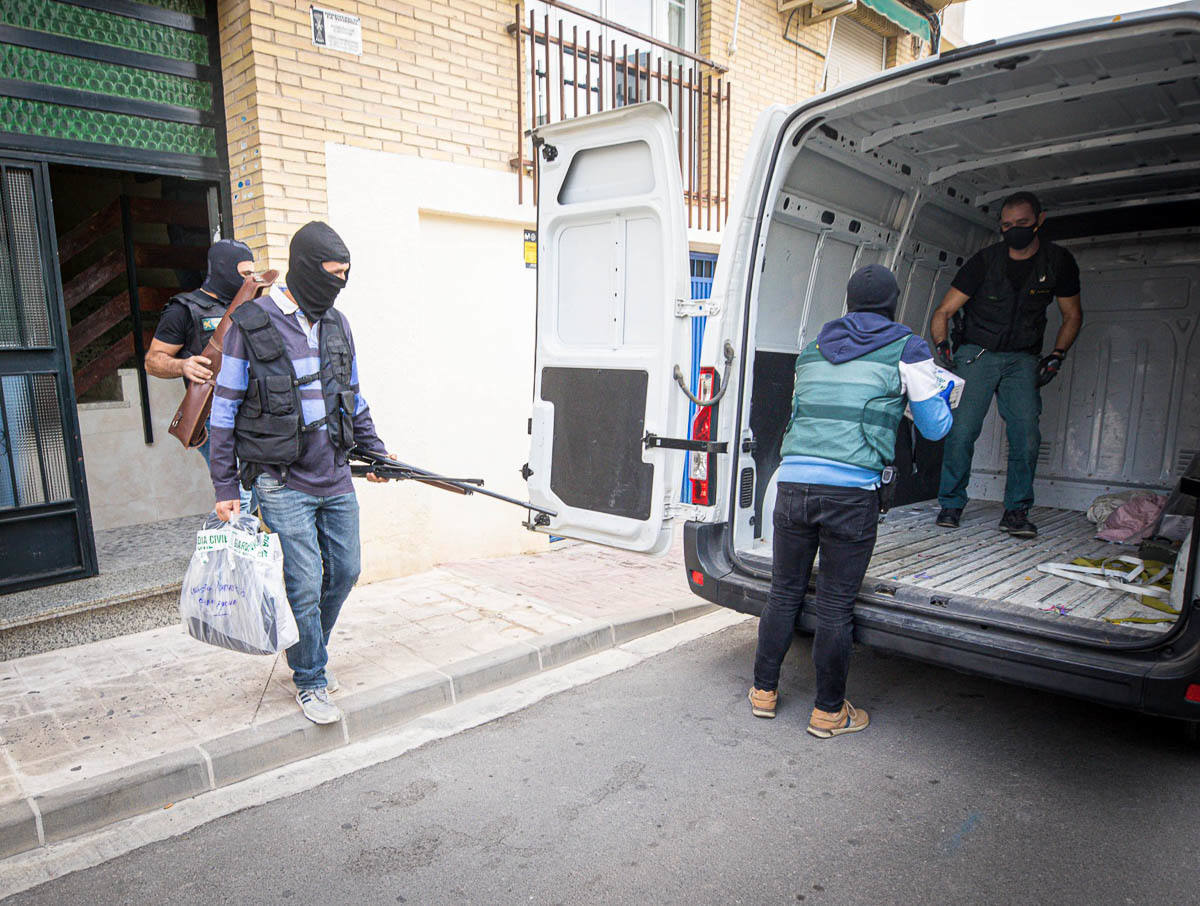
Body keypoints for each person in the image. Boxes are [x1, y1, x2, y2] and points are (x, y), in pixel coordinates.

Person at [749, 264, 954, 738]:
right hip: (851, 494)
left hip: (793, 483)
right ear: (893, 304)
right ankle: (828, 712)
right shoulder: (908, 348)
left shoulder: (812, 349)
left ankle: (763, 691)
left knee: (784, 592)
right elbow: (936, 428)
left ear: (848, 302)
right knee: (836, 606)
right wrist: (934, 391)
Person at [209, 221, 393, 725]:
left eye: (346, 276)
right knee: (304, 583)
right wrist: (225, 485)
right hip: (281, 479)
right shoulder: (250, 323)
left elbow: (353, 396)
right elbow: (223, 410)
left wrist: (375, 454)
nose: (339, 285)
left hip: (334, 471)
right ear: (308, 268)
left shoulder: (337, 323)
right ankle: (311, 679)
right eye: (333, 275)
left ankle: (307, 652)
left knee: (347, 569)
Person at [930, 191, 1083, 538]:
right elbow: (944, 311)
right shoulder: (984, 261)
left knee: (1026, 436)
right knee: (962, 431)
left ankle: (1016, 512)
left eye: (1022, 224)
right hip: (977, 354)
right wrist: (943, 346)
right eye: (1007, 225)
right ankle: (951, 504)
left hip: (1023, 359)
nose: (1013, 230)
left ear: (1039, 221)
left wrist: (1057, 355)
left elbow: (1072, 315)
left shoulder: (1058, 262)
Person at [145, 239, 256, 512]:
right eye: (244, 274)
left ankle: (252, 551)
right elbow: (153, 361)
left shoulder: (251, 304)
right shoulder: (184, 308)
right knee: (239, 497)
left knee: (263, 492)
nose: (250, 280)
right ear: (222, 269)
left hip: (255, 412)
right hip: (214, 415)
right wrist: (183, 366)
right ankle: (231, 553)